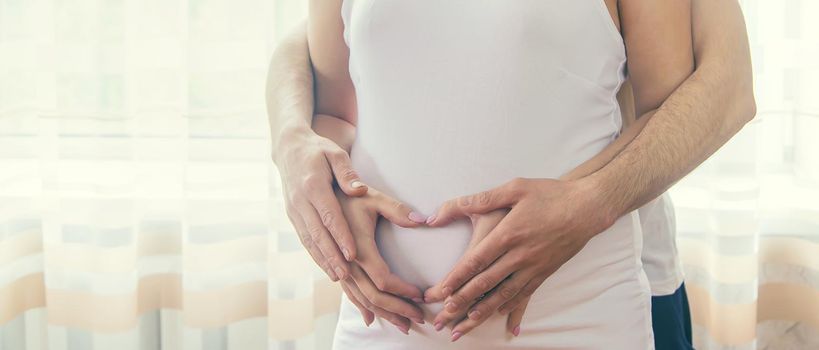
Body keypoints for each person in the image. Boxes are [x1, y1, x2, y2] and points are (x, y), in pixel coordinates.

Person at [267, 0, 755, 348]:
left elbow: (720, 86)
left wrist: (588, 200)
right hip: (392, 324)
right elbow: (332, 60)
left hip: (589, 287)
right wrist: (309, 162)